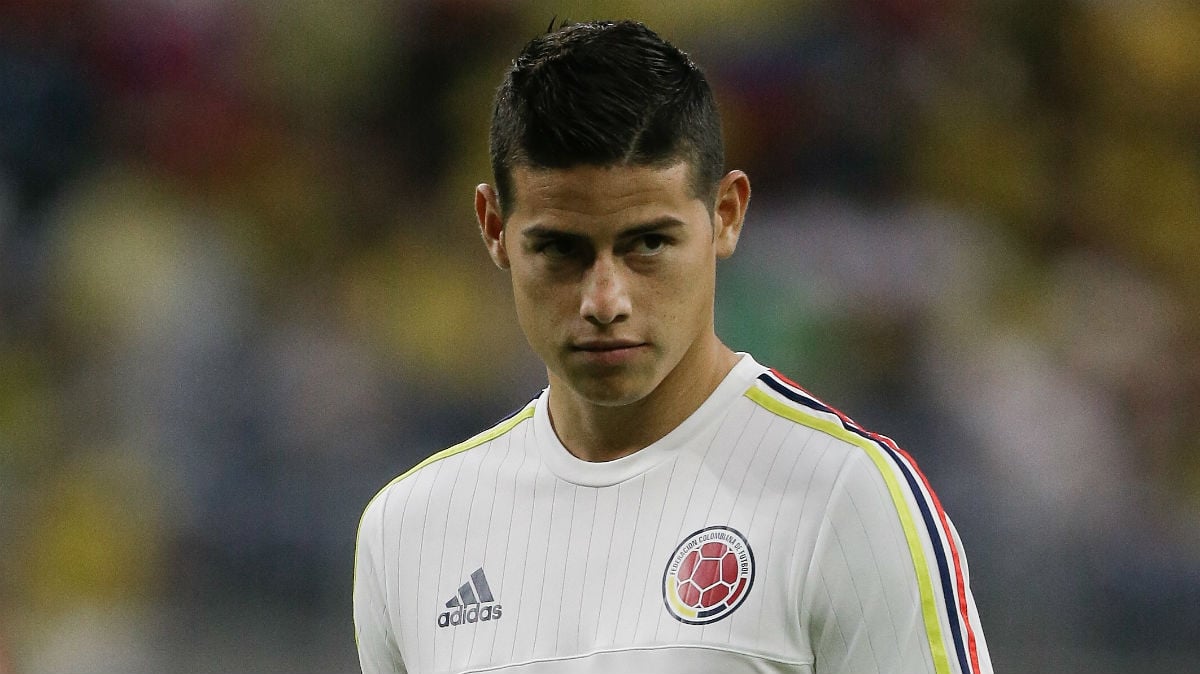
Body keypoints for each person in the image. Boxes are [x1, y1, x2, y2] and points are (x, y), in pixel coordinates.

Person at [354, 19, 992, 674]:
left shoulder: (847, 498)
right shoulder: (410, 533)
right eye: (560, 249)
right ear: (494, 229)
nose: (605, 301)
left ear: (726, 214)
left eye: (648, 244)